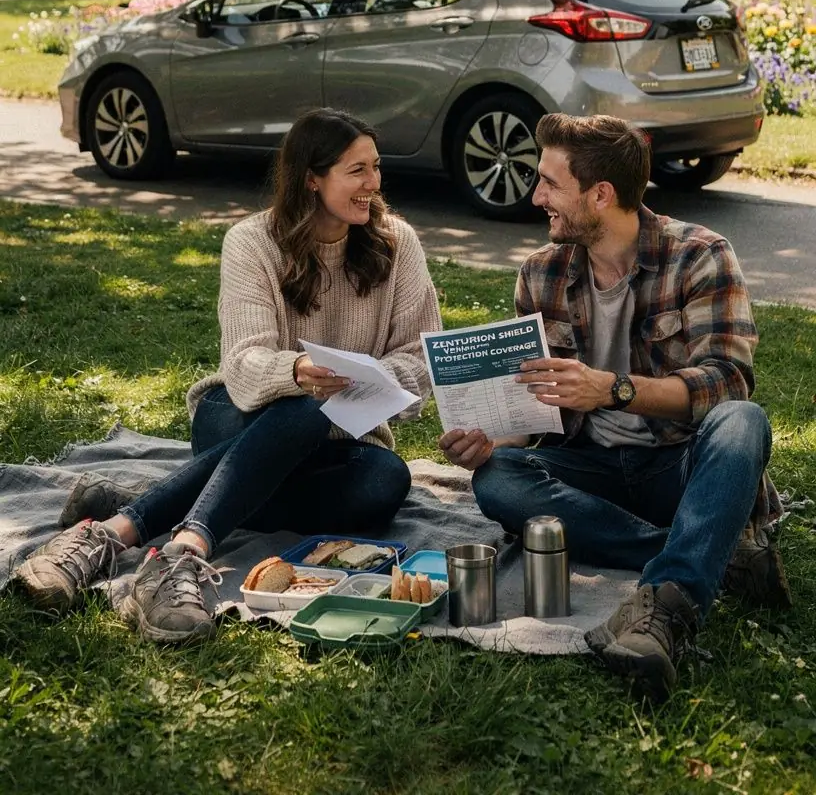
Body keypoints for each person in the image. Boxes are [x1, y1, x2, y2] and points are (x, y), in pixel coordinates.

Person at [12, 109, 442, 644]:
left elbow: (419, 358)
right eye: (357, 170)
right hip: (237, 414)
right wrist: (298, 371)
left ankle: (143, 503)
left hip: (341, 437)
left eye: (375, 167)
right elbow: (243, 363)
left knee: (385, 483)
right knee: (304, 410)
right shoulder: (251, 242)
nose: (373, 183)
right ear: (312, 178)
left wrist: (367, 379)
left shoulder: (398, 243)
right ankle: (160, 546)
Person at [440, 113, 787, 701]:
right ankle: (711, 555)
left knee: (743, 422)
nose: (536, 196)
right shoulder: (540, 274)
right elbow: (532, 403)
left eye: (550, 183)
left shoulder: (700, 255)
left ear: (600, 194)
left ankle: (666, 608)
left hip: (678, 466)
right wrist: (492, 440)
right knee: (497, 478)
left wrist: (612, 389)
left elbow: (728, 382)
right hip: (590, 470)